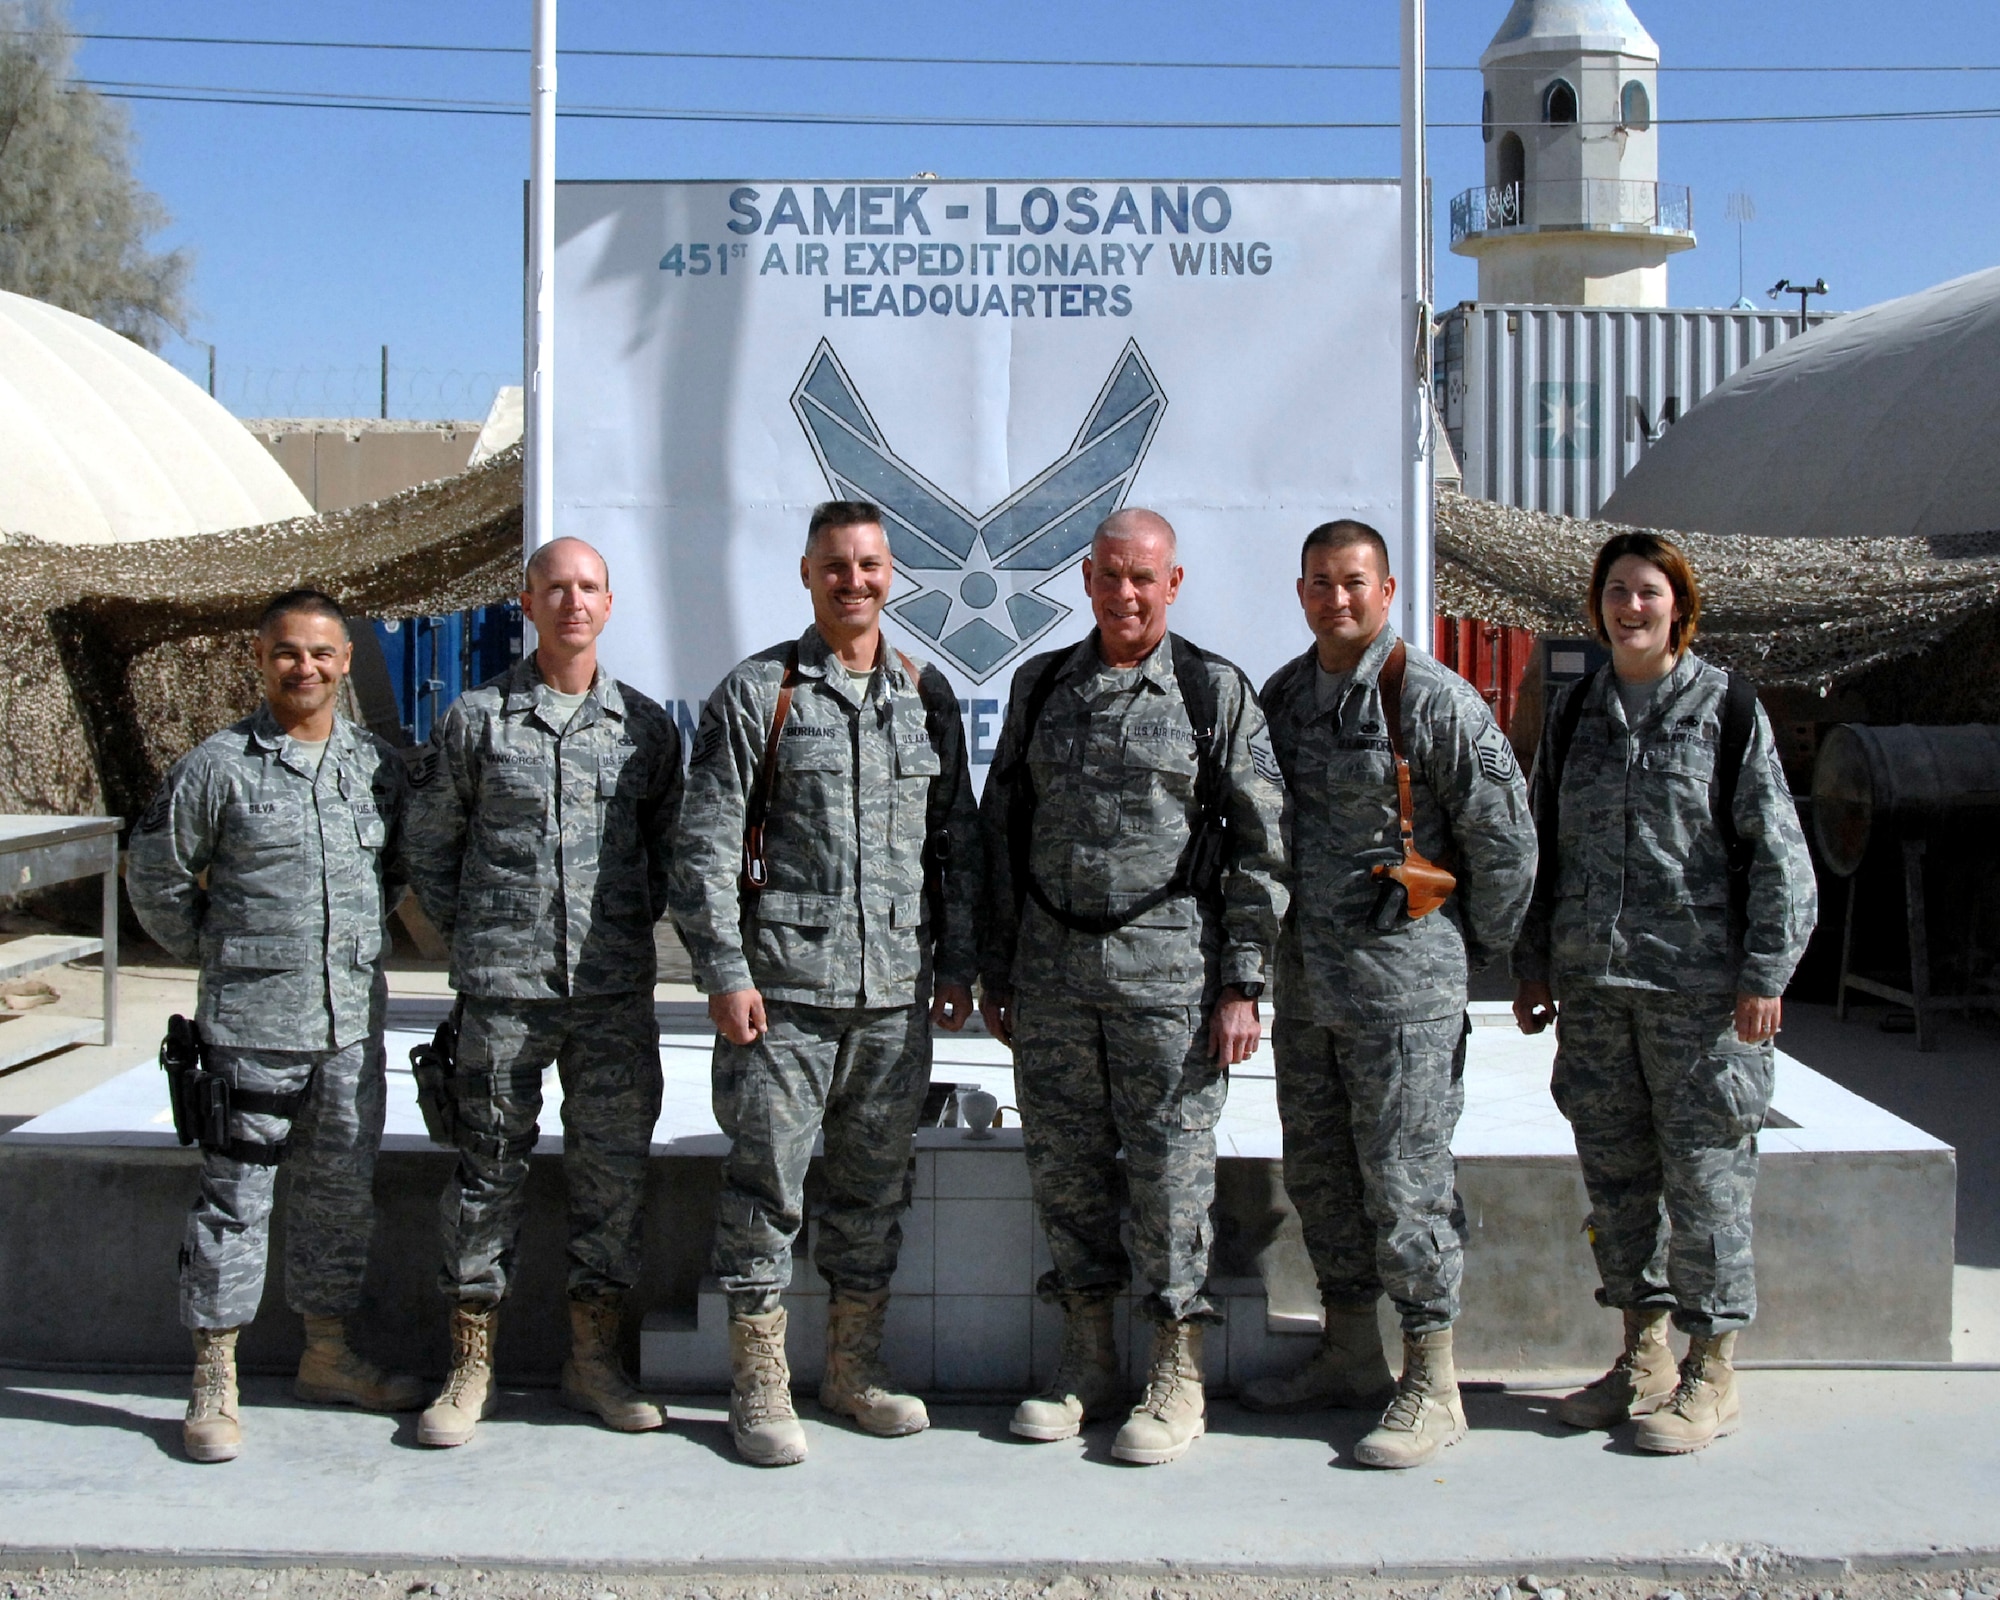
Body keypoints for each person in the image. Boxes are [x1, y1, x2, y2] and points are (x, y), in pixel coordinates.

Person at [669, 500, 980, 1468]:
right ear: (806, 574)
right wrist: (722, 971)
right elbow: (705, 846)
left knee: (873, 1193)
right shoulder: (759, 692)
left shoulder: (924, 695)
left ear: (893, 575)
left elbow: (952, 844)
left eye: (871, 565)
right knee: (765, 1190)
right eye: (835, 565)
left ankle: (851, 1373)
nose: (854, 580)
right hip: (783, 996)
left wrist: (958, 962)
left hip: (892, 995)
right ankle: (756, 1388)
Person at [979, 508, 1286, 1467]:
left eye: (1143, 578)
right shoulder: (1042, 687)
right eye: (1110, 575)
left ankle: (1173, 1371)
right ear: (1086, 576)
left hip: (1172, 986)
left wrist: (1242, 982)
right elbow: (1000, 837)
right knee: (1067, 1174)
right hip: (1055, 982)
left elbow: (1262, 844)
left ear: (1174, 583)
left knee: (1169, 1181)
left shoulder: (1211, 691)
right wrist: (999, 969)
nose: (1125, 594)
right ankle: (1086, 1361)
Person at [1513, 530, 1817, 1454]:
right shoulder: (1576, 714)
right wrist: (1532, 962)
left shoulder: (1726, 708)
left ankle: (1712, 1370)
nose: (1630, 608)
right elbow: (1544, 846)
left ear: (1678, 605)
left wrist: (1765, 976)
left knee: (1708, 1183)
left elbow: (1778, 852)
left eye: (1648, 593)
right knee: (1617, 1184)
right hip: (1597, 993)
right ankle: (1640, 1353)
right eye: (1616, 592)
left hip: (1699, 999)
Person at [1246, 521, 1537, 1468]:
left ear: (1389, 589)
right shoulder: (1285, 699)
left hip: (1403, 996)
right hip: (1311, 991)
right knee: (1323, 1177)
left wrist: (1468, 950)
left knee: (1408, 1185)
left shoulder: (1432, 700)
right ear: (1301, 593)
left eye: (1355, 583)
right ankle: (1349, 1350)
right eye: (1321, 584)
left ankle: (1433, 1379)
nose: (1339, 600)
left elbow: (1505, 840)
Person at [127, 589, 424, 1464]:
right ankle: (213, 1376)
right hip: (250, 1028)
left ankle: (327, 1355)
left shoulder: (376, 767)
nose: (306, 668)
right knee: (235, 1203)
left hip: (346, 1030)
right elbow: (157, 881)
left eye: (322, 653)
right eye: (288, 653)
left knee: (339, 1199)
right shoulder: (216, 768)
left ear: (342, 663)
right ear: (259, 661)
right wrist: (226, 953)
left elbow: (396, 873)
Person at [402, 536, 683, 1448]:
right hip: (504, 995)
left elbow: (669, 852)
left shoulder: (645, 728)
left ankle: (592, 1360)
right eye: (554, 588)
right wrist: (487, 935)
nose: (572, 601)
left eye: (588, 587)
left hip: (610, 995)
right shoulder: (476, 721)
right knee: (486, 1175)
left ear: (610, 603)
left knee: (613, 1179)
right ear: (527, 604)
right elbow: (431, 851)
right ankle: (469, 1362)